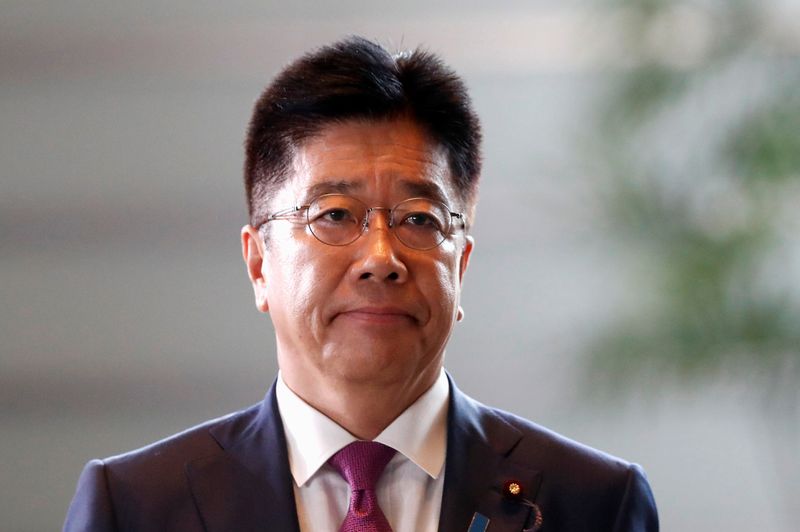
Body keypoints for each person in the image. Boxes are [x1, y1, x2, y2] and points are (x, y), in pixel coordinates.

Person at [64, 36, 658, 532]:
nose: (381, 257)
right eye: (334, 215)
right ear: (258, 264)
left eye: (420, 220)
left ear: (461, 266)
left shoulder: (593, 504)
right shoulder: (137, 504)